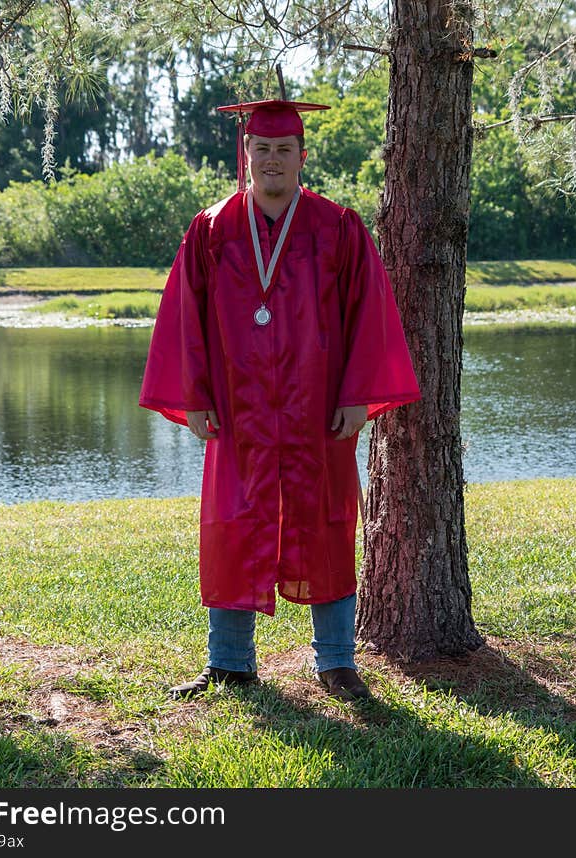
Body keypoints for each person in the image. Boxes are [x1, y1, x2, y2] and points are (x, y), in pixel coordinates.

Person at [139, 98, 420, 702]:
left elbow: (368, 315)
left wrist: (356, 395)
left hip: (315, 405)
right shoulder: (211, 229)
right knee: (233, 523)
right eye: (261, 149)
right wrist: (195, 396)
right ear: (246, 156)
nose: (272, 160)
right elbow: (184, 318)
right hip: (238, 411)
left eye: (283, 150)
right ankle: (230, 663)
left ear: (302, 157)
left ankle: (337, 663)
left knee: (326, 522)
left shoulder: (337, 227)